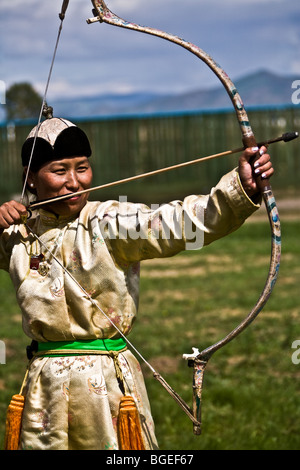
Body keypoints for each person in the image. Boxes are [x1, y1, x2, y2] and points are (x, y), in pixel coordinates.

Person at [0, 117, 273, 450]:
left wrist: (240, 188)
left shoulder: (110, 221)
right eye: (59, 171)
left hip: (105, 390)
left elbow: (180, 222)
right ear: (30, 177)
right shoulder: (16, 235)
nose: (74, 182)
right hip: (43, 391)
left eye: (82, 168)